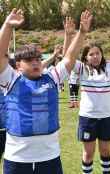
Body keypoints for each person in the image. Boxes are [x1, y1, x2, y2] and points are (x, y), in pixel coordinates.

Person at [0, 8, 92, 174]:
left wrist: (82, 33)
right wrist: (7, 25)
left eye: (38, 59)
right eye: (29, 60)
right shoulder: (10, 79)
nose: (35, 63)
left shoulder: (52, 78)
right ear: (18, 64)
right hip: (17, 159)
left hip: (50, 157)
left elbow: (69, 58)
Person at [63, 17, 110, 172]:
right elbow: (67, 58)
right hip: (88, 118)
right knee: (88, 153)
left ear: (102, 55)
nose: (95, 56)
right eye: (91, 54)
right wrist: (68, 36)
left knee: (105, 151)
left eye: (98, 53)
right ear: (85, 57)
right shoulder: (82, 68)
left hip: (106, 117)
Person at [62, 17, 80, 108]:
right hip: (72, 79)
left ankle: (75, 103)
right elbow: (66, 57)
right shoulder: (72, 63)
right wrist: (68, 36)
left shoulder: (79, 64)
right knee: (72, 91)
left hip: (75, 79)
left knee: (74, 91)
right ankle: (73, 103)